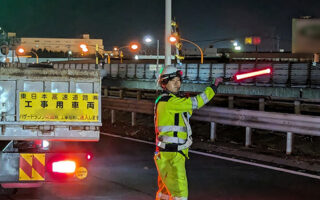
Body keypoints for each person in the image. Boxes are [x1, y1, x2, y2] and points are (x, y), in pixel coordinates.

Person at [154, 65, 223, 200]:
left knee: (165, 193)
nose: (177, 84)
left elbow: (186, 113)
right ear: (164, 83)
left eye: (179, 81)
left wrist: (184, 101)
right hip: (173, 155)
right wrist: (214, 87)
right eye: (173, 81)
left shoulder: (164, 101)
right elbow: (197, 102)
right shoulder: (170, 102)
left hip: (166, 154)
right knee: (180, 194)